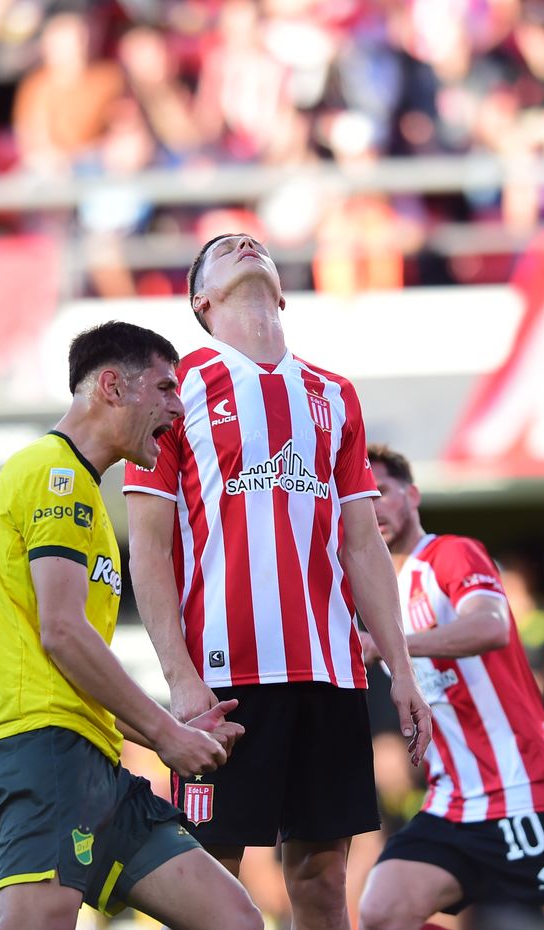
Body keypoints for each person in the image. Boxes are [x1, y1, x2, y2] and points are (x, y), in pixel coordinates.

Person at [123, 233, 432, 930]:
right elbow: (148, 547)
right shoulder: (175, 391)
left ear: (282, 290)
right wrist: (179, 677)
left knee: (323, 878)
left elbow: (363, 543)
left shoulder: (334, 395)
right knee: (209, 876)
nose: (242, 242)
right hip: (226, 678)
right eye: (221, 249)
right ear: (201, 300)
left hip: (332, 672)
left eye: (252, 243)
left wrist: (404, 671)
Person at [0, 321, 262, 930]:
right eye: (164, 388)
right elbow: (63, 634)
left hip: (95, 760)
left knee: (233, 918)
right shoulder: (56, 476)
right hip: (45, 751)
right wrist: (166, 733)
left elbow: (74, 653)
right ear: (110, 386)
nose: (178, 409)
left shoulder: (80, 490)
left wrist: (162, 734)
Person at [356, 445, 544, 930]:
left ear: (412, 496)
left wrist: (394, 645)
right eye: (360, 496)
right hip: (452, 799)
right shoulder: (374, 595)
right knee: (383, 912)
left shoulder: (450, 553)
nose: (372, 507)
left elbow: (492, 626)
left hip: (518, 787)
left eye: (383, 492)